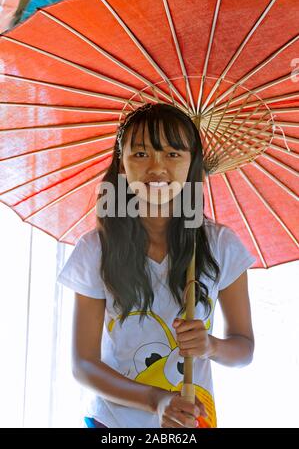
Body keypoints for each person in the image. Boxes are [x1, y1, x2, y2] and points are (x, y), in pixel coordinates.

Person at [56, 102, 256, 429]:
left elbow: (243, 348)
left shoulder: (221, 245)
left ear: (193, 166)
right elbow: (84, 364)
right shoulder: (95, 250)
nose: (157, 167)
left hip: (190, 423)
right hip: (112, 423)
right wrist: (157, 399)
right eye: (140, 154)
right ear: (121, 167)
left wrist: (210, 346)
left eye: (174, 154)